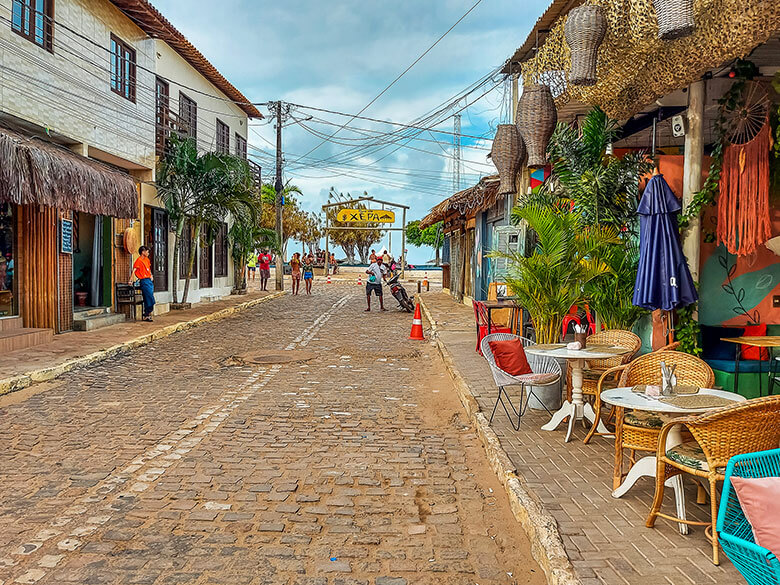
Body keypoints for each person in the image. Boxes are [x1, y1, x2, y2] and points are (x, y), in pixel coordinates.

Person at [130, 246, 155, 322]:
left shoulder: (147, 260)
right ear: (143, 252)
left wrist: (151, 275)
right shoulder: (138, 260)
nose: (148, 253)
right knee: (149, 297)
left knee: (150, 297)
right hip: (143, 280)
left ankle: (147, 314)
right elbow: (134, 270)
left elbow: (149, 269)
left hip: (149, 280)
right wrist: (130, 279)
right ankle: (146, 314)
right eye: (147, 251)